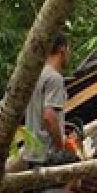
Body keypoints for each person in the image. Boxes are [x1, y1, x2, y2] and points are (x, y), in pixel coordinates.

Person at [24, 32, 71, 165]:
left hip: (32, 154)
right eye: (69, 49)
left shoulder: (35, 75)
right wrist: (60, 148)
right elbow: (49, 116)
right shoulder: (54, 78)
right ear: (62, 49)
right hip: (46, 156)